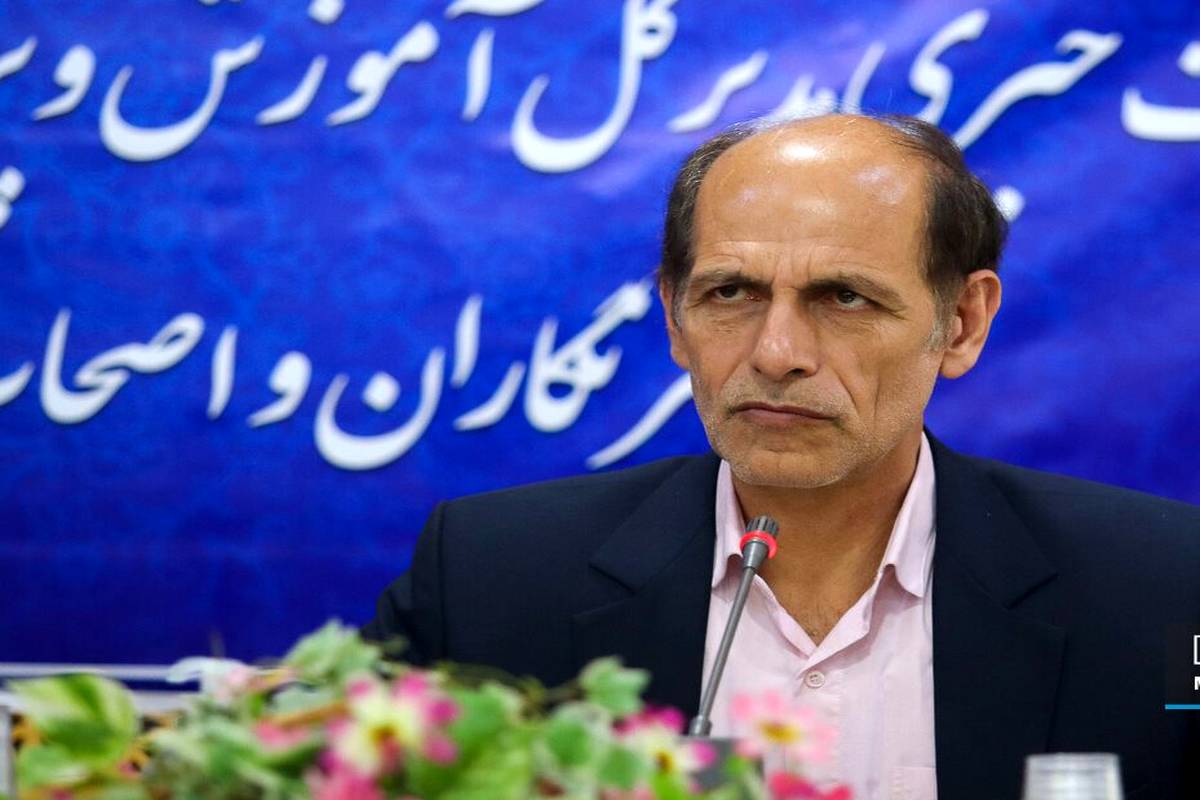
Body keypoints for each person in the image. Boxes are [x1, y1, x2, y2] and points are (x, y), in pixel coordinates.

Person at [363, 113, 1199, 800]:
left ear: (963, 324)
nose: (776, 353)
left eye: (845, 297)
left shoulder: (1165, 586)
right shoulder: (490, 580)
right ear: (674, 317)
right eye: (731, 293)